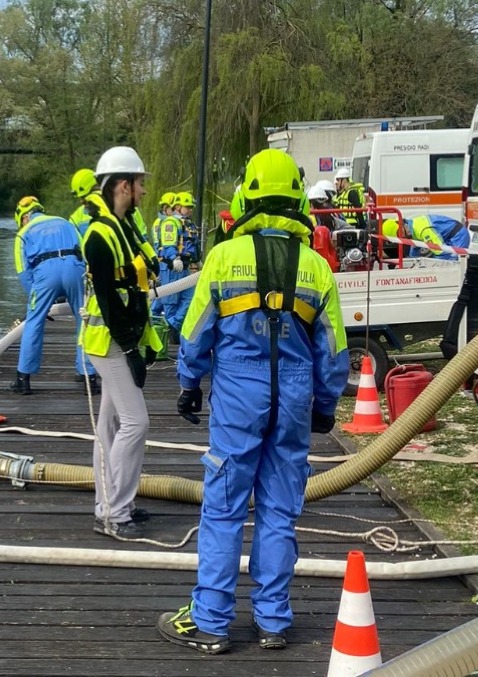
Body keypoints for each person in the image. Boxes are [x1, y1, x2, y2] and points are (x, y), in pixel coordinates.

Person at [157, 149, 348, 654]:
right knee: (280, 512)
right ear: (296, 198)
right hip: (294, 396)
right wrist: (325, 403)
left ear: (248, 195)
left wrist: (188, 383)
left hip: (238, 396)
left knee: (222, 510)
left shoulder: (223, 257)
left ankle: (213, 623)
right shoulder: (317, 267)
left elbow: (194, 331)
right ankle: (273, 622)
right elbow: (333, 349)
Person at [79, 145, 162, 540]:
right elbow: (110, 302)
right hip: (108, 341)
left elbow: (140, 272)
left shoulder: (122, 227)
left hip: (114, 339)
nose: (144, 192)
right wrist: (130, 349)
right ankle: (114, 514)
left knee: (111, 427)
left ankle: (112, 506)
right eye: (140, 184)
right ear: (124, 185)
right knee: (136, 422)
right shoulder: (99, 236)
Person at [10, 196, 97, 395]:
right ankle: (88, 378)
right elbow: (84, 252)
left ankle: (23, 380)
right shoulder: (66, 222)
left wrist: (39, 301)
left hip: (44, 274)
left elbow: (23, 272)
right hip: (75, 269)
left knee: (34, 322)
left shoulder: (23, 234)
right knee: (84, 320)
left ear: (24, 217)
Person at [152, 192, 186, 332]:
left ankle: (154, 323)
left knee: (160, 297)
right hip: (167, 265)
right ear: (166, 208)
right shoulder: (167, 223)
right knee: (167, 298)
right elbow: (166, 245)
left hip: (163, 264)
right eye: (173, 208)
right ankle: (166, 328)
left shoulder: (162, 222)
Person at [380, 214, 469, 261]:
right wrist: (411, 262)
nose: (402, 236)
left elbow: (441, 252)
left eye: (400, 232)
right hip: (448, 236)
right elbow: (415, 247)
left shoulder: (423, 230)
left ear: (401, 224)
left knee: (452, 263)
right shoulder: (411, 228)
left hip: (458, 236)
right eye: (399, 236)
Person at [68, 168, 97, 239]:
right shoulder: (76, 218)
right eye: (80, 198)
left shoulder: (116, 207)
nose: (82, 201)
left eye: (84, 196)